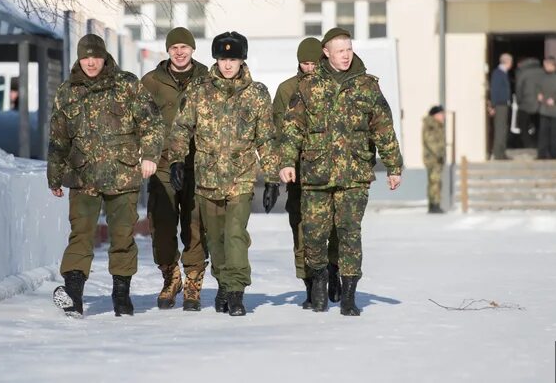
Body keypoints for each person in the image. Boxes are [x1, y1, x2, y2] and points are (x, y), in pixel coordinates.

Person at [279, 27, 403, 316]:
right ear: (327, 53)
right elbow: (292, 127)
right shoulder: (308, 86)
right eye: (339, 51)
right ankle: (320, 284)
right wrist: (286, 162)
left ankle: (348, 296)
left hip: (354, 174)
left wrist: (394, 166)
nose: (346, 55)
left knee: (349, 233)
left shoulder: (367, 85)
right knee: (314, 234)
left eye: (348, 49)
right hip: (316, 173)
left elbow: (383, 128)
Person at [48, 34, 163, 318]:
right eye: (85, 57)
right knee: (80, 235)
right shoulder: (67, 91)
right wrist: (54, 175)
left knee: (122, 236)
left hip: (122, 176)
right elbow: (58, 138)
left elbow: (152, 123)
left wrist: (149, 155)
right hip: (82, 176)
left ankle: (121, 293)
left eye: (95, 57)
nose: (90, 62)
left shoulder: (126, 85)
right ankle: (73, 294)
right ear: (79, 58)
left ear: (104, 56)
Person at [167, 31, 280, 317]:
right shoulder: (199, 91)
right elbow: (182, 128)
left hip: (241, 178)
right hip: (207, 179)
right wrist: (178, 161)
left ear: (242, 60)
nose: (228, 64)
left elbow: (266, 138)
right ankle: (224, 283)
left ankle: (236, 292)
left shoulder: (257, 94)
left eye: (233, 58)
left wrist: (272, 178)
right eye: (222, 58)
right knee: (215, 240)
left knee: (235, 236)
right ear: (215, 59)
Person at [141, 27, 209, 311]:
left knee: (195, 225)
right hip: (163, 164)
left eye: (184, 47)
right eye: (174, 48)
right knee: (163, 223)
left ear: (193, 49)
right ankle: (171, 277)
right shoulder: (151, 82)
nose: (179, 52)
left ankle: (193, 281)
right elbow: (139, 120)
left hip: (199, 164)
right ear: (167, 51)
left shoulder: (209, 78)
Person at [272, 37, 341, 309]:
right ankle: (310, 282)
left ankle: (332, 270)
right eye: (305, 62)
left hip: (330, 172)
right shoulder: (287, 89)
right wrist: (280, 166)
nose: (310, 67)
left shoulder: (334, 86)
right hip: (298, 174)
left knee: (334, 227)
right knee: (301, 229)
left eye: (315, 62)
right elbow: (278, 131)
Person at [422, 105, 445, 214]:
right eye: (441, 114)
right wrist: (439, 153)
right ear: (435, 115)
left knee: (435, 182)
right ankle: (434, 205)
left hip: (436, 159)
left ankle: (434, 204)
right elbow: (430, 140)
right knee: (434, 182)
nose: (443, 116)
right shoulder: (431, 125)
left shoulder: (437, 125)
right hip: (433, 159)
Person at [489, 53, 513, 160]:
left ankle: (501, 152)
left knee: (503, 129)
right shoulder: (498, 73)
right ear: (507, 62)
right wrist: (493, 106)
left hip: (503, 104)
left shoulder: (503, 73)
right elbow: (495, 90)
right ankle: (498, 153)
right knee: (500, 129)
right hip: (499, 104)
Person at [515, 57, 541, 149]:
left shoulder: (522, 73)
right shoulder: (542, 72)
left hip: (525, 103)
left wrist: (518, 101)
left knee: (524, 125)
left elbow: (519, 87)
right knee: (539, 125)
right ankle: (539, 143)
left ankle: (527, 144)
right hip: (540, 104)